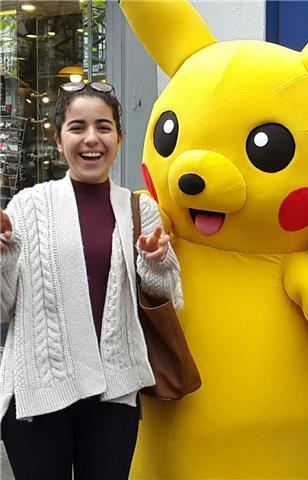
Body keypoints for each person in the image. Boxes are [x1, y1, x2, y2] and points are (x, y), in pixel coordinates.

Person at [0, 81, 183, 480]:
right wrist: (2, 257)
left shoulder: (140, 208)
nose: (90, 138)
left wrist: (157, 263)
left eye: (103, 126)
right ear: (58, 137)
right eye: (77, 127)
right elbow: (3, 307)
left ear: (119, 137)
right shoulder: (28, 205)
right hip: (39, 389)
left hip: (113, 392)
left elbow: (170, 297)